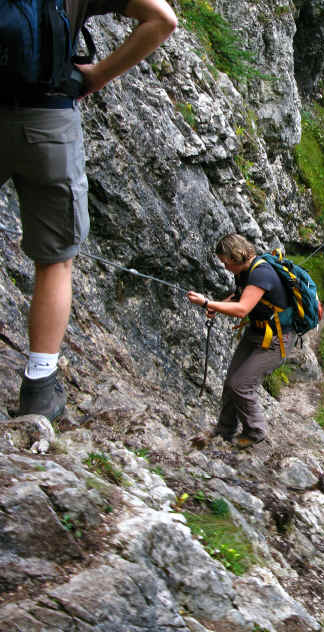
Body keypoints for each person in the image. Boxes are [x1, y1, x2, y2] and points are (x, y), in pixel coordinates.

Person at [1, 0, 177, 422]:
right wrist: (96, 76)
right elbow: (162, 19)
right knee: (56, 260)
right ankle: (40, 386)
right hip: (48, 124)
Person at [187, 234, 295, 450]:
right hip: (257, 332)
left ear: (236, 256)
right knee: (230, 384)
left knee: (241, 385)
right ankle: (225, 428)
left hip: (277, 339)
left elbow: (243, 309)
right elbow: (238, 297)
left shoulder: (261, 273)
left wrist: (209, 302)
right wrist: (216, 305)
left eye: (226, 262)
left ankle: (255, 431)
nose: (225, 267)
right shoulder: (245, 272)